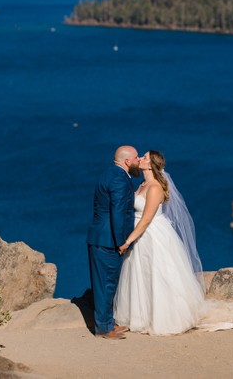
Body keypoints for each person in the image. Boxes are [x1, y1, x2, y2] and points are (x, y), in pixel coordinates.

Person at [114, 150, 233, 335]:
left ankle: (164, 318)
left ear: (151, 165)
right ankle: (141, 316)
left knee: (158, 276)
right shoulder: (142, 184)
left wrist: (127, 241)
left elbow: (146, 219)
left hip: (151, 235)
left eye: (145, 157)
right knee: (141, 275)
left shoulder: (155, 188)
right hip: (140, 234)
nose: (140, 158)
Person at [86, 145, 140, 339]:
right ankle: (104, 329)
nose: (138, 161)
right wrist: (122, 242)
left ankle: (107, 322)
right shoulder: (119, 178)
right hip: (108, 240)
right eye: (136, 158)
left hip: (101, 236)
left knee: (106, 282)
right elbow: (118, 212)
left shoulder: (109, 173)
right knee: (106, 284)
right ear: (127, 161)